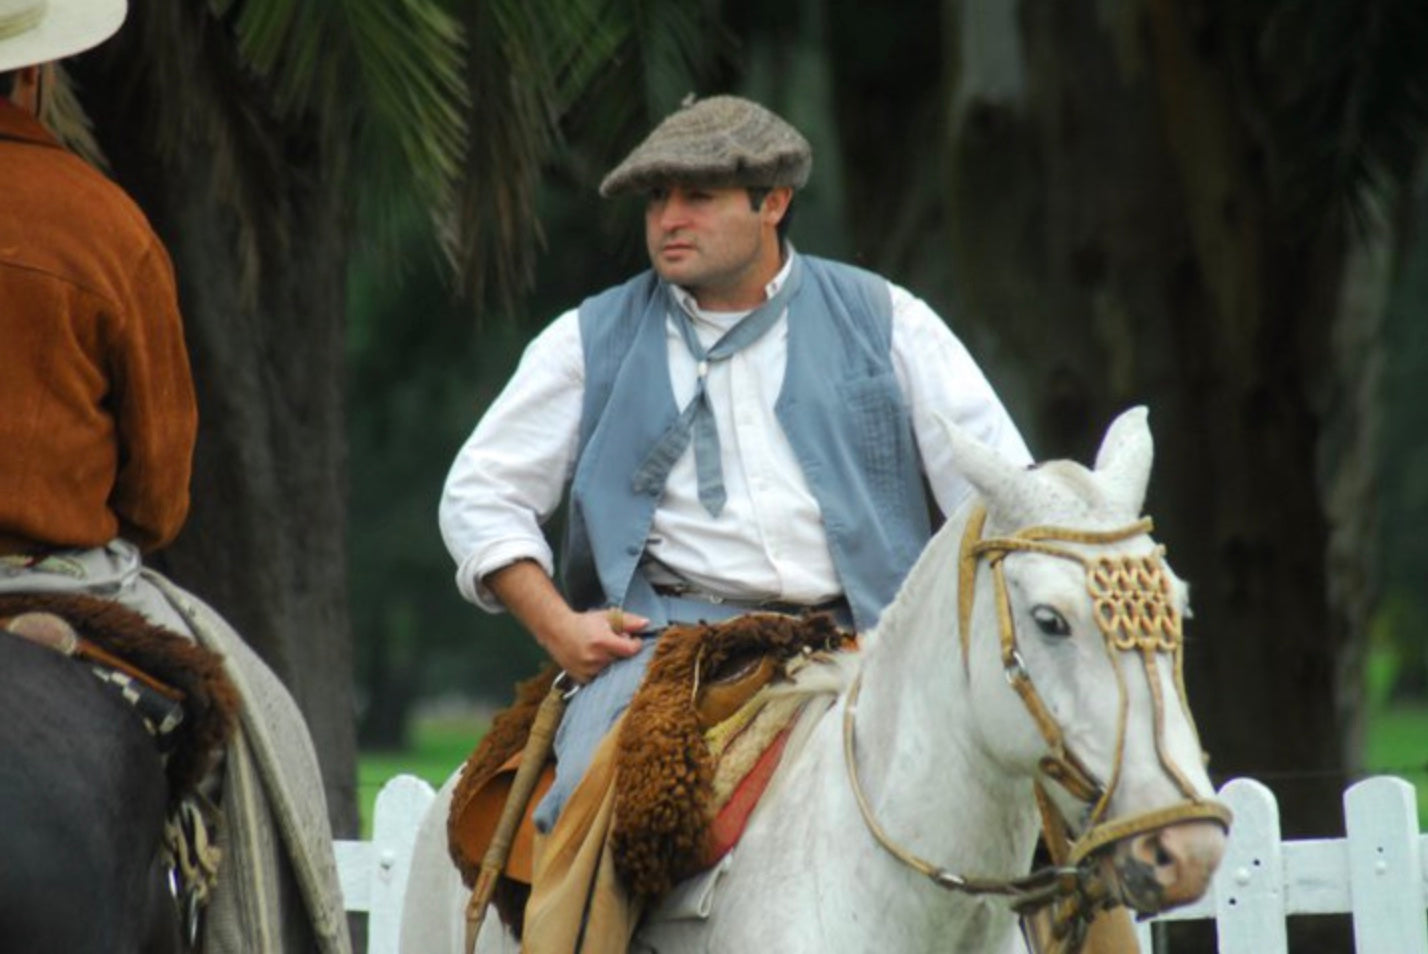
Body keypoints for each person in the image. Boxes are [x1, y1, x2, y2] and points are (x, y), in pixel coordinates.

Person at [440, 94, 1032, 833]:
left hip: (878, 648)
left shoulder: (888, 320)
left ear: (773, 203)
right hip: (664, 663)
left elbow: (1008, 492)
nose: (668, 218)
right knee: (587, 833)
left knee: (1045, 822)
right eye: (657, 198)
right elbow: (478, 494)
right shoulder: (589, 340)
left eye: (699, 196)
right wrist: (560, 626)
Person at [0, 4, 352, 951]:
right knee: (259, 732)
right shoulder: (105, 225)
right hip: (57, 581)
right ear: (37, 76)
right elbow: (160, 490)